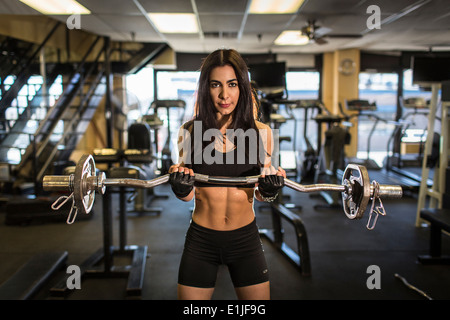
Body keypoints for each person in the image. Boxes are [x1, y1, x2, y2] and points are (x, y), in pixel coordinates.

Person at [168, 48, 286, 300]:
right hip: (202, 239)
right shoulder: (189, 131)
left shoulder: (261, 133)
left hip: (245, 239)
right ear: (205, 88)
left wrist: (269, 190)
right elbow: (188, 197)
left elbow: (260, 195)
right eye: (215, 85)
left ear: (242, 86)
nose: (224, 94)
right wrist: (180, 186)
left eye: (232, 84)